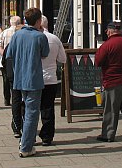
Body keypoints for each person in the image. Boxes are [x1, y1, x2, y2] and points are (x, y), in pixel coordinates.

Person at [6, 8, 49, 158]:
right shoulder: (40, 36)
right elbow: (45, 54)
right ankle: (25, 146)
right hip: (34, 79)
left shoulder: (17, 35)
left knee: (27, 111)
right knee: (32, 113)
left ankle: (26, 142)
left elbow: (9, 54)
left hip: (19, 78)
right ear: (38, 21)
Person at [39, 15, 66, 146]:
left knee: (32, 108)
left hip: (36, 79)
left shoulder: (35, 38)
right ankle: (47, 137)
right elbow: (63, 59)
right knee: (48, 108)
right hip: (51, 78)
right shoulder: (55, 39)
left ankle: (30, 135)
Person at [0, 15, 21, 107]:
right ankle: (17, 98)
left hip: (6, 61)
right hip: (18, 61)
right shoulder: (21, 32)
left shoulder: (4, 33)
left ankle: (7, 99)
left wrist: (5, 55)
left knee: (6, 81)